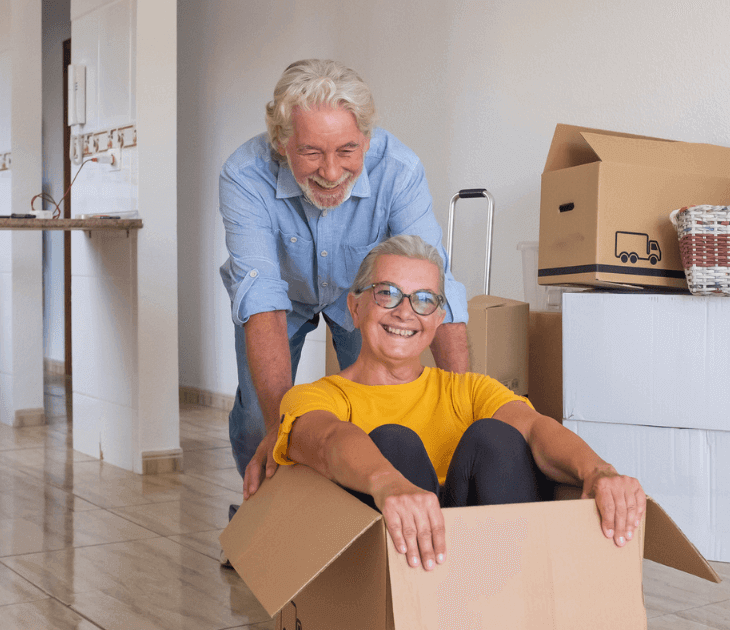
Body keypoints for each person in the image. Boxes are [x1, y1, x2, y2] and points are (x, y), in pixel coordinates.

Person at [259, 235, 646, 572]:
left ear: (438, 319)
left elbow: (535, 427)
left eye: (423, 300)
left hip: (483, 564)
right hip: (392, 575)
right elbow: (327, 440)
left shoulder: (469, 391)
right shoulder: (315, 396)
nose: (405, 311)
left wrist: (598, 470)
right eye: (387, 293)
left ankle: (511, 604)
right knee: (394, 442)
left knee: (496, 435)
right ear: (355, 308)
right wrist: (389, 485)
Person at [218, 60, 469, 504]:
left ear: (367, 141)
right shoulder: (244, 174)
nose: (331, 173)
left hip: (365, 295)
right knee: (264, 419)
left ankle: (359, 514)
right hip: (282, 299)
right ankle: (264, 513)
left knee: (378, 404)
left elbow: (434, 279)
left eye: (347, 151)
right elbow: (262, 298)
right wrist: (283, 433)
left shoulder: (400, 170)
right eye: (311, 152)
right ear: (281, 142)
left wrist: (462, 400)